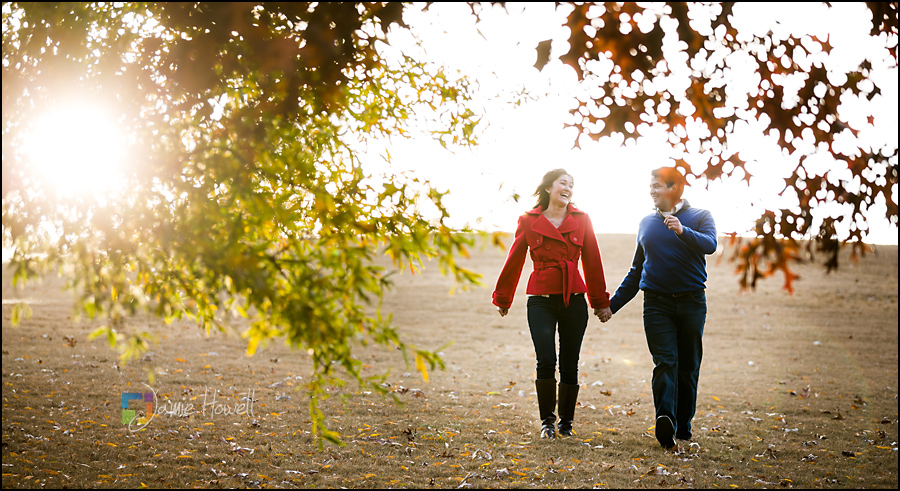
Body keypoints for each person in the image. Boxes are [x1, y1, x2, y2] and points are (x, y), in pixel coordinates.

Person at [492, 169, 613, 439]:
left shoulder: (582, 220)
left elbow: (592, 261)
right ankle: (547, 422)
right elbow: (515, 259)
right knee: (546, 360)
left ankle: (566, 425)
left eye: (571, 184)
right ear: (549, 188)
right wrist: (503, 297)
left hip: (574, 300)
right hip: (541, 301)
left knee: (570, 362)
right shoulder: (528, 220)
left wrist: (600, 302)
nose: (568, 188)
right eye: (563, 183)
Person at [604, 166, 717, 450]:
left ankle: (683, 429)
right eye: (651, 186)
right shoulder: (646, 223)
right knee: (665, 362)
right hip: (656, 304)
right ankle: (665, 418)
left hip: (692, 302)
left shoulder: (700, 216)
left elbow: (710, 245)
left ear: (675, 187)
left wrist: (682, 230)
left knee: (688, 366)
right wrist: (612, 306)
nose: (652, 191)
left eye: (657, 186)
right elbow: (636, 270)